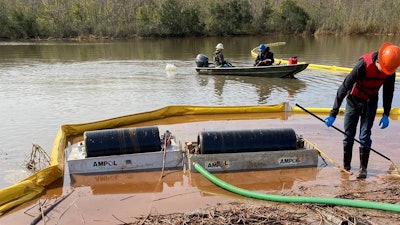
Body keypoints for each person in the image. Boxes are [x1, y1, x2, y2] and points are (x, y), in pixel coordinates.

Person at [324, 42, 400, 179]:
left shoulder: (390, 70)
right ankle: (346, 167)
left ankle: (363, 170)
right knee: (348, 135)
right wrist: (333, 114)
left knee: (365, 136)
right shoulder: (362, 66)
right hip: (353, 101)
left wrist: (386, 113)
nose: (384, 72)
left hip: (370, 102)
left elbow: (388, 92)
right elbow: (344, 87)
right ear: (379, 61)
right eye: (383, 69)